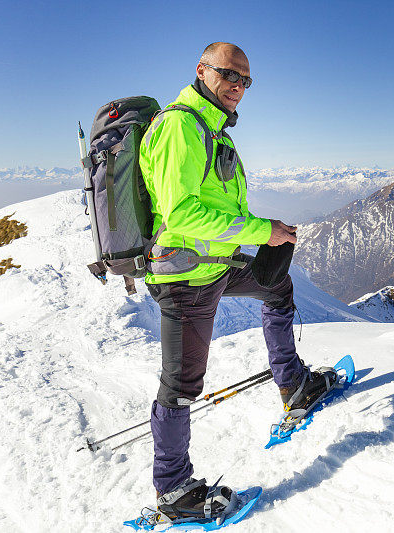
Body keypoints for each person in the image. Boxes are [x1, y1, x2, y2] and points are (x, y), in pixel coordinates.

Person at [139, 42, 336, 520]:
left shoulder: (212, 131)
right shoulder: (181, 127)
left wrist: (267, 234)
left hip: (215, 266)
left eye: (246, 80)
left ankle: (293, 384)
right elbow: (183, 214)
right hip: (184, 279)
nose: (238, 87)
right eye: (230, 74)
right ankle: (173, 492)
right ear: (202, 70)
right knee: (180, 385)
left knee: (278, 287)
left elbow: (219, 208)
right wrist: (260, 232)